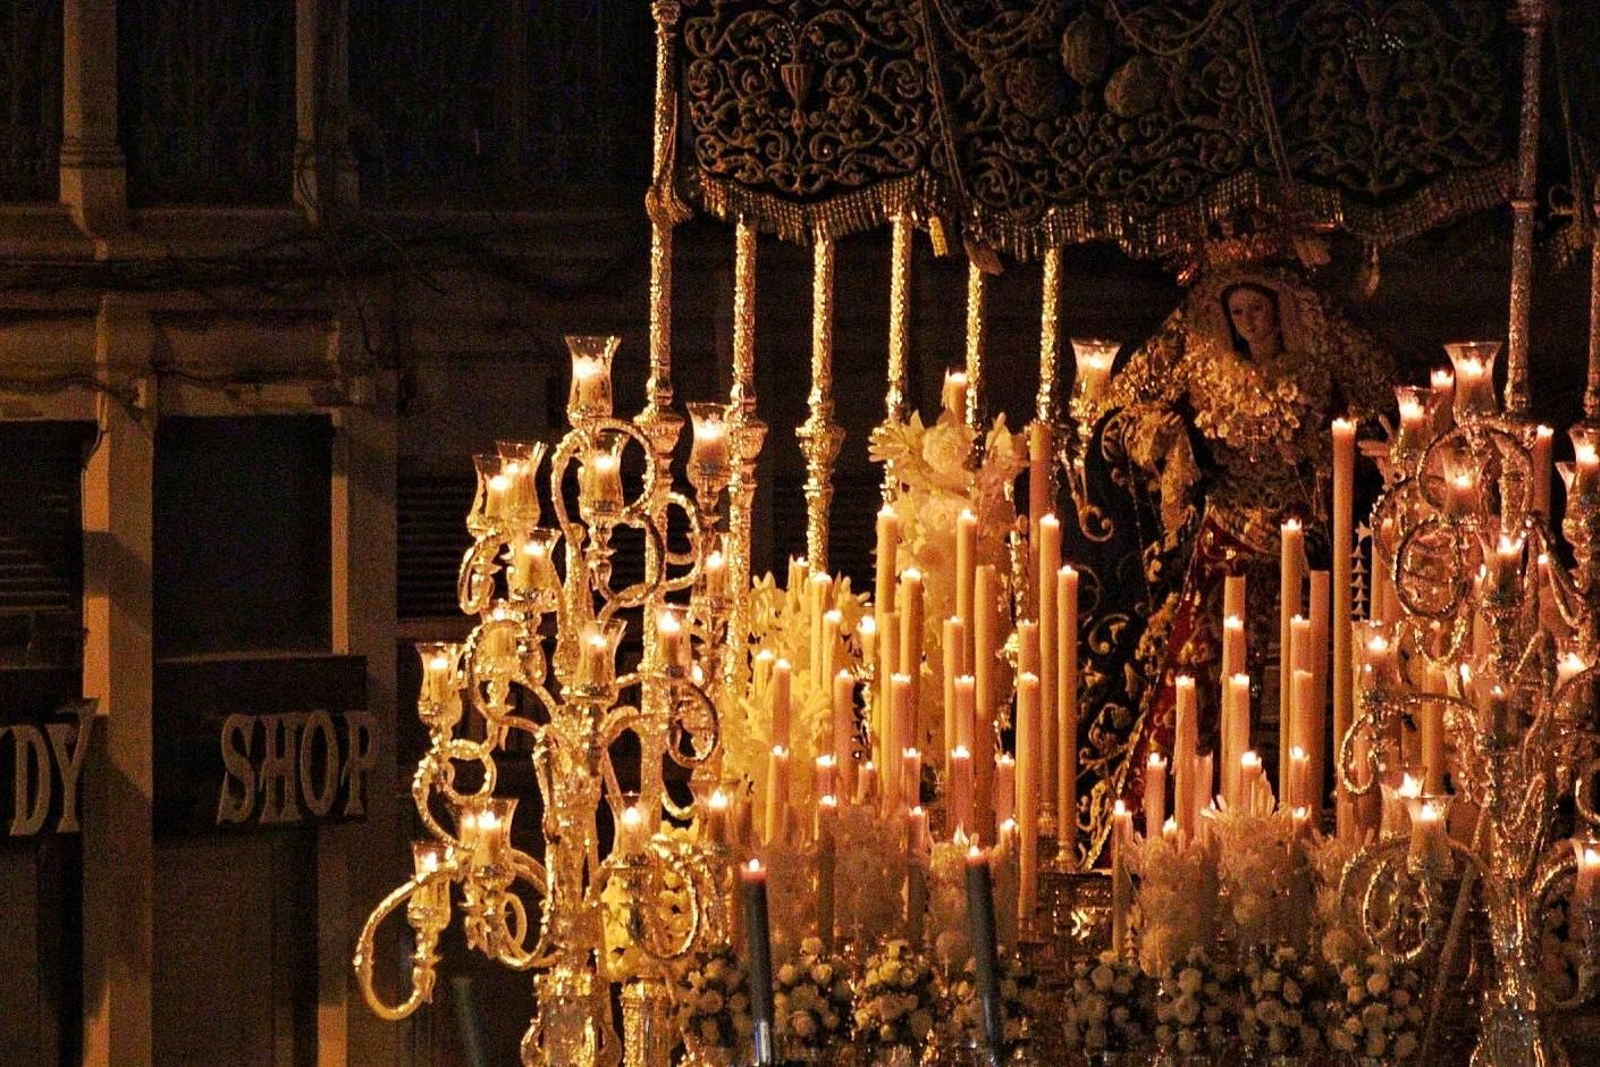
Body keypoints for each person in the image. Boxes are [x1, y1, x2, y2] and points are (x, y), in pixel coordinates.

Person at [1087, 265, 1393, 830]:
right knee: (1199, 669)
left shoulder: (1317, 359)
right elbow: (1124, 405)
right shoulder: (1203, 361)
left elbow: (1378, 397)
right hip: (1225, 540)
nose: (1248, 321)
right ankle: (1188, 809)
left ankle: (1316, 806)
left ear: (1279, 307)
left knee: (1309, 676)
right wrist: (1164, 440)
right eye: (1236, 312)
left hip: (1304, 545)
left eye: (1257, 308)